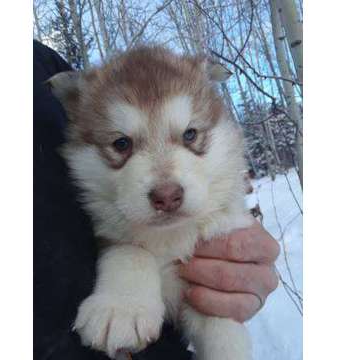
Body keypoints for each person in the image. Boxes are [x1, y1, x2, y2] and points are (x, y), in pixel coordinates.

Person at [33, 40, 280, 360]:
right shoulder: (67, 94)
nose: (166, 189)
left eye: (190, 135)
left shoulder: (39, 63)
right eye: (121, 144)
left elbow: (211, 303)